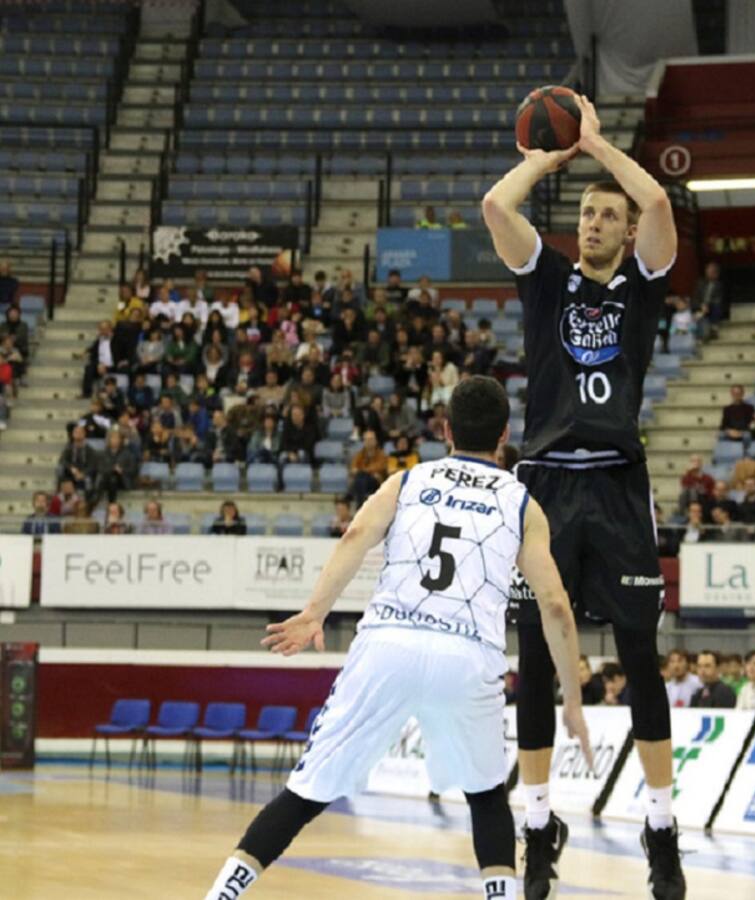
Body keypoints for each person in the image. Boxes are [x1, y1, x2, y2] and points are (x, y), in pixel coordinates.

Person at [204, 376, 591, 900]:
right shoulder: (522, 504)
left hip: (388, 644)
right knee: (486, 796)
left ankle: (220, 896)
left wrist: (315, 613)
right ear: (504, 435)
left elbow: (356, 536)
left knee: (305, 794)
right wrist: (573, 697)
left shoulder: (408, 481)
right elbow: (556, 606)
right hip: (467, 654)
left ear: (446, 430)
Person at [482, 90, 685, 898]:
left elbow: (659, 202)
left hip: (618, 484)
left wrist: (598, 147)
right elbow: (496, 205)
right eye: (587, 215)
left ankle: (662, 829)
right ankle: (538, 829)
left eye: (608, 216)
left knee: (640, 659)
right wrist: (548, 156)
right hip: (546, 486)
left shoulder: (642, 282)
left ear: (627, 232)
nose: (594, 224)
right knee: (535, 661)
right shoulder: (547, 278)